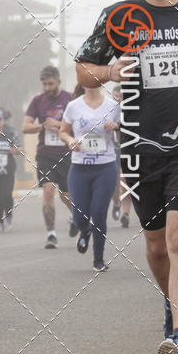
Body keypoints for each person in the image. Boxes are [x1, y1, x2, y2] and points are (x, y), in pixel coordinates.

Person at [76, 0, 178, 354]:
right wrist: (107, 70)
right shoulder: (119, 15)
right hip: (139, 146)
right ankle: (173, 309)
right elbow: (83, 69)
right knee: (157, 244)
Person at [58, 85, 120, 271]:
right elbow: (63, 131)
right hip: (79, 168)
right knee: (79, 217)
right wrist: (70, 141)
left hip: (105, 168)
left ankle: (98, 260)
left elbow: (125, 130)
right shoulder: (73, 106)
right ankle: (84, 231)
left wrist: (116, 126)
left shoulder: (113, 105)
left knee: (99, 213)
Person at [22, 66, 74, 249]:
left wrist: (60, 125)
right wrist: (43, 126)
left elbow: (81, 126)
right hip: (45, 154)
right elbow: (25, 127)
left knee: (66, 195)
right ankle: (51, 234)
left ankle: (75, 217)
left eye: (50, 84)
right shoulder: (38, 101)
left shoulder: (70, 99)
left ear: (59, 82)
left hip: (66, 154)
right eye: (44, 84)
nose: (47, 88)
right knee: (48, 189)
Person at [110, 84, 132, 227]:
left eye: (120, 97)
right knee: (114, 182)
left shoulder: (131, 110)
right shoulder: (107, 109)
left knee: (125, 180)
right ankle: (116, 203)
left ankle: (126, 214)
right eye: (115, 96)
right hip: (111, 149)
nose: (118, 99)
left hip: (127, 148)